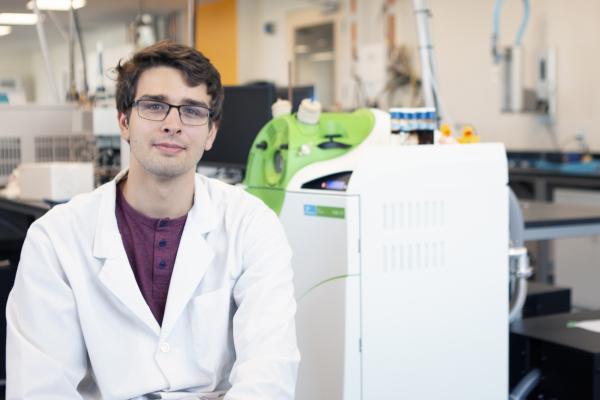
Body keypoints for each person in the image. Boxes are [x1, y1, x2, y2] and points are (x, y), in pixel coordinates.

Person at [6, 41, 300, 399]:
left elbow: (269, 373)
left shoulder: (252, 225)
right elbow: (41, 388)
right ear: (124, 121)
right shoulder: (56, 238)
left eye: (192, 111)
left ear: (211, 133)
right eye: (155, 106)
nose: (173, 124)